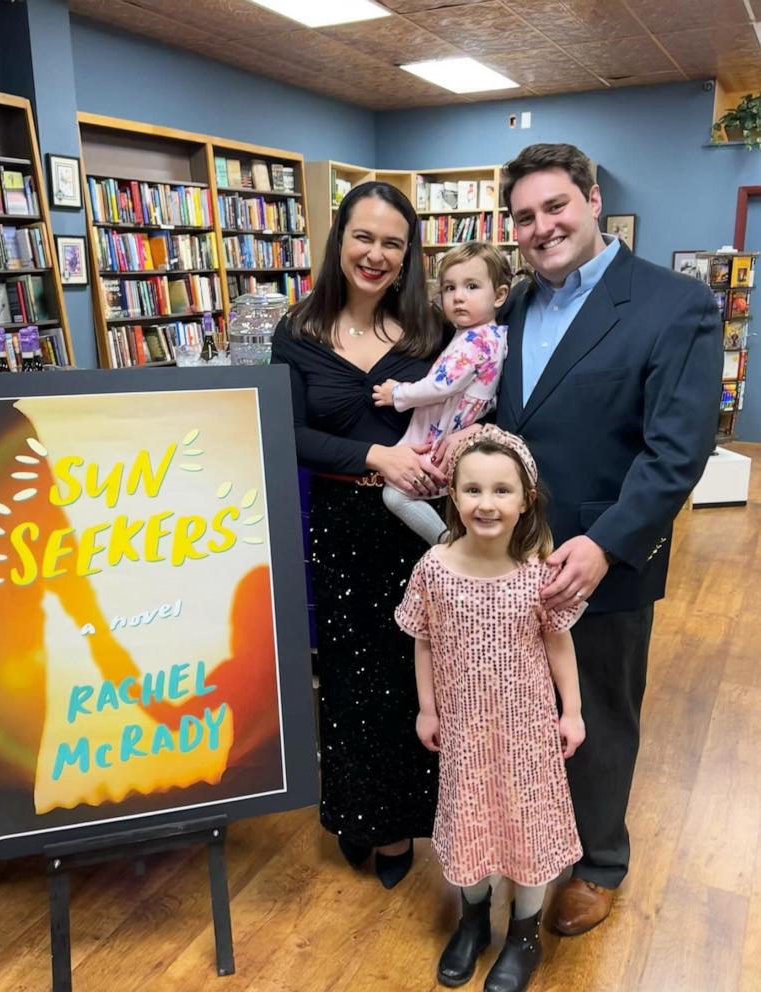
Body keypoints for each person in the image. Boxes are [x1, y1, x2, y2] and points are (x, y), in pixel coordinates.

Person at [440, 143, 722, 934]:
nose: (542, 226)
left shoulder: (676, 305)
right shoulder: (513, 308)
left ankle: (598, 862)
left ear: (593, 200)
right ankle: (528, 841)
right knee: (520, 711)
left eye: (556, 206)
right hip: (504, 559)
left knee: (595, 712)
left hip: (602, 563)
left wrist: (603, 546)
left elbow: (677, 452)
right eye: (524, 216)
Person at [270, 181, 448, 889]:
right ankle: (355, 813)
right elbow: (287, 433)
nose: (376, 255)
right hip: (341, 526)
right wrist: (374, 455)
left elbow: (471, 406)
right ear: (339, 240)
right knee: (346, 680)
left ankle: (400, 824)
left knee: (412, 679)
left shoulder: (435, 333)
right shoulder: (298, 331)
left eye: (393, 244)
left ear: (409, 257)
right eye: (363, 237)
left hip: (419, 530)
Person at [396, 426, 586, 992]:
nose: (486, 503)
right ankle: (473, 919)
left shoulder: (539, 572)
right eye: (473, 489)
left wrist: (571, 710)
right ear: (452, 496)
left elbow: (559, 643)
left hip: (527, 731)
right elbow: (424, 640)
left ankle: (524, 934)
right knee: (469, 820)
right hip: (463, 731)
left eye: (501, 490)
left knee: (526, 826)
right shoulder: (434, 567)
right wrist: (427, 709)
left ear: (525, 499)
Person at [372, 242, 509, 544]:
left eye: (471, 286)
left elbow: (441, 386)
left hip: (442, 432)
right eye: (449, 288)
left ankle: (445, 541)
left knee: (395, 495)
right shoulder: (488, 335)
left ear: (499, 295)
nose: (458, 297)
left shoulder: (475, 341)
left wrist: (397, 394)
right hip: (454, 425)